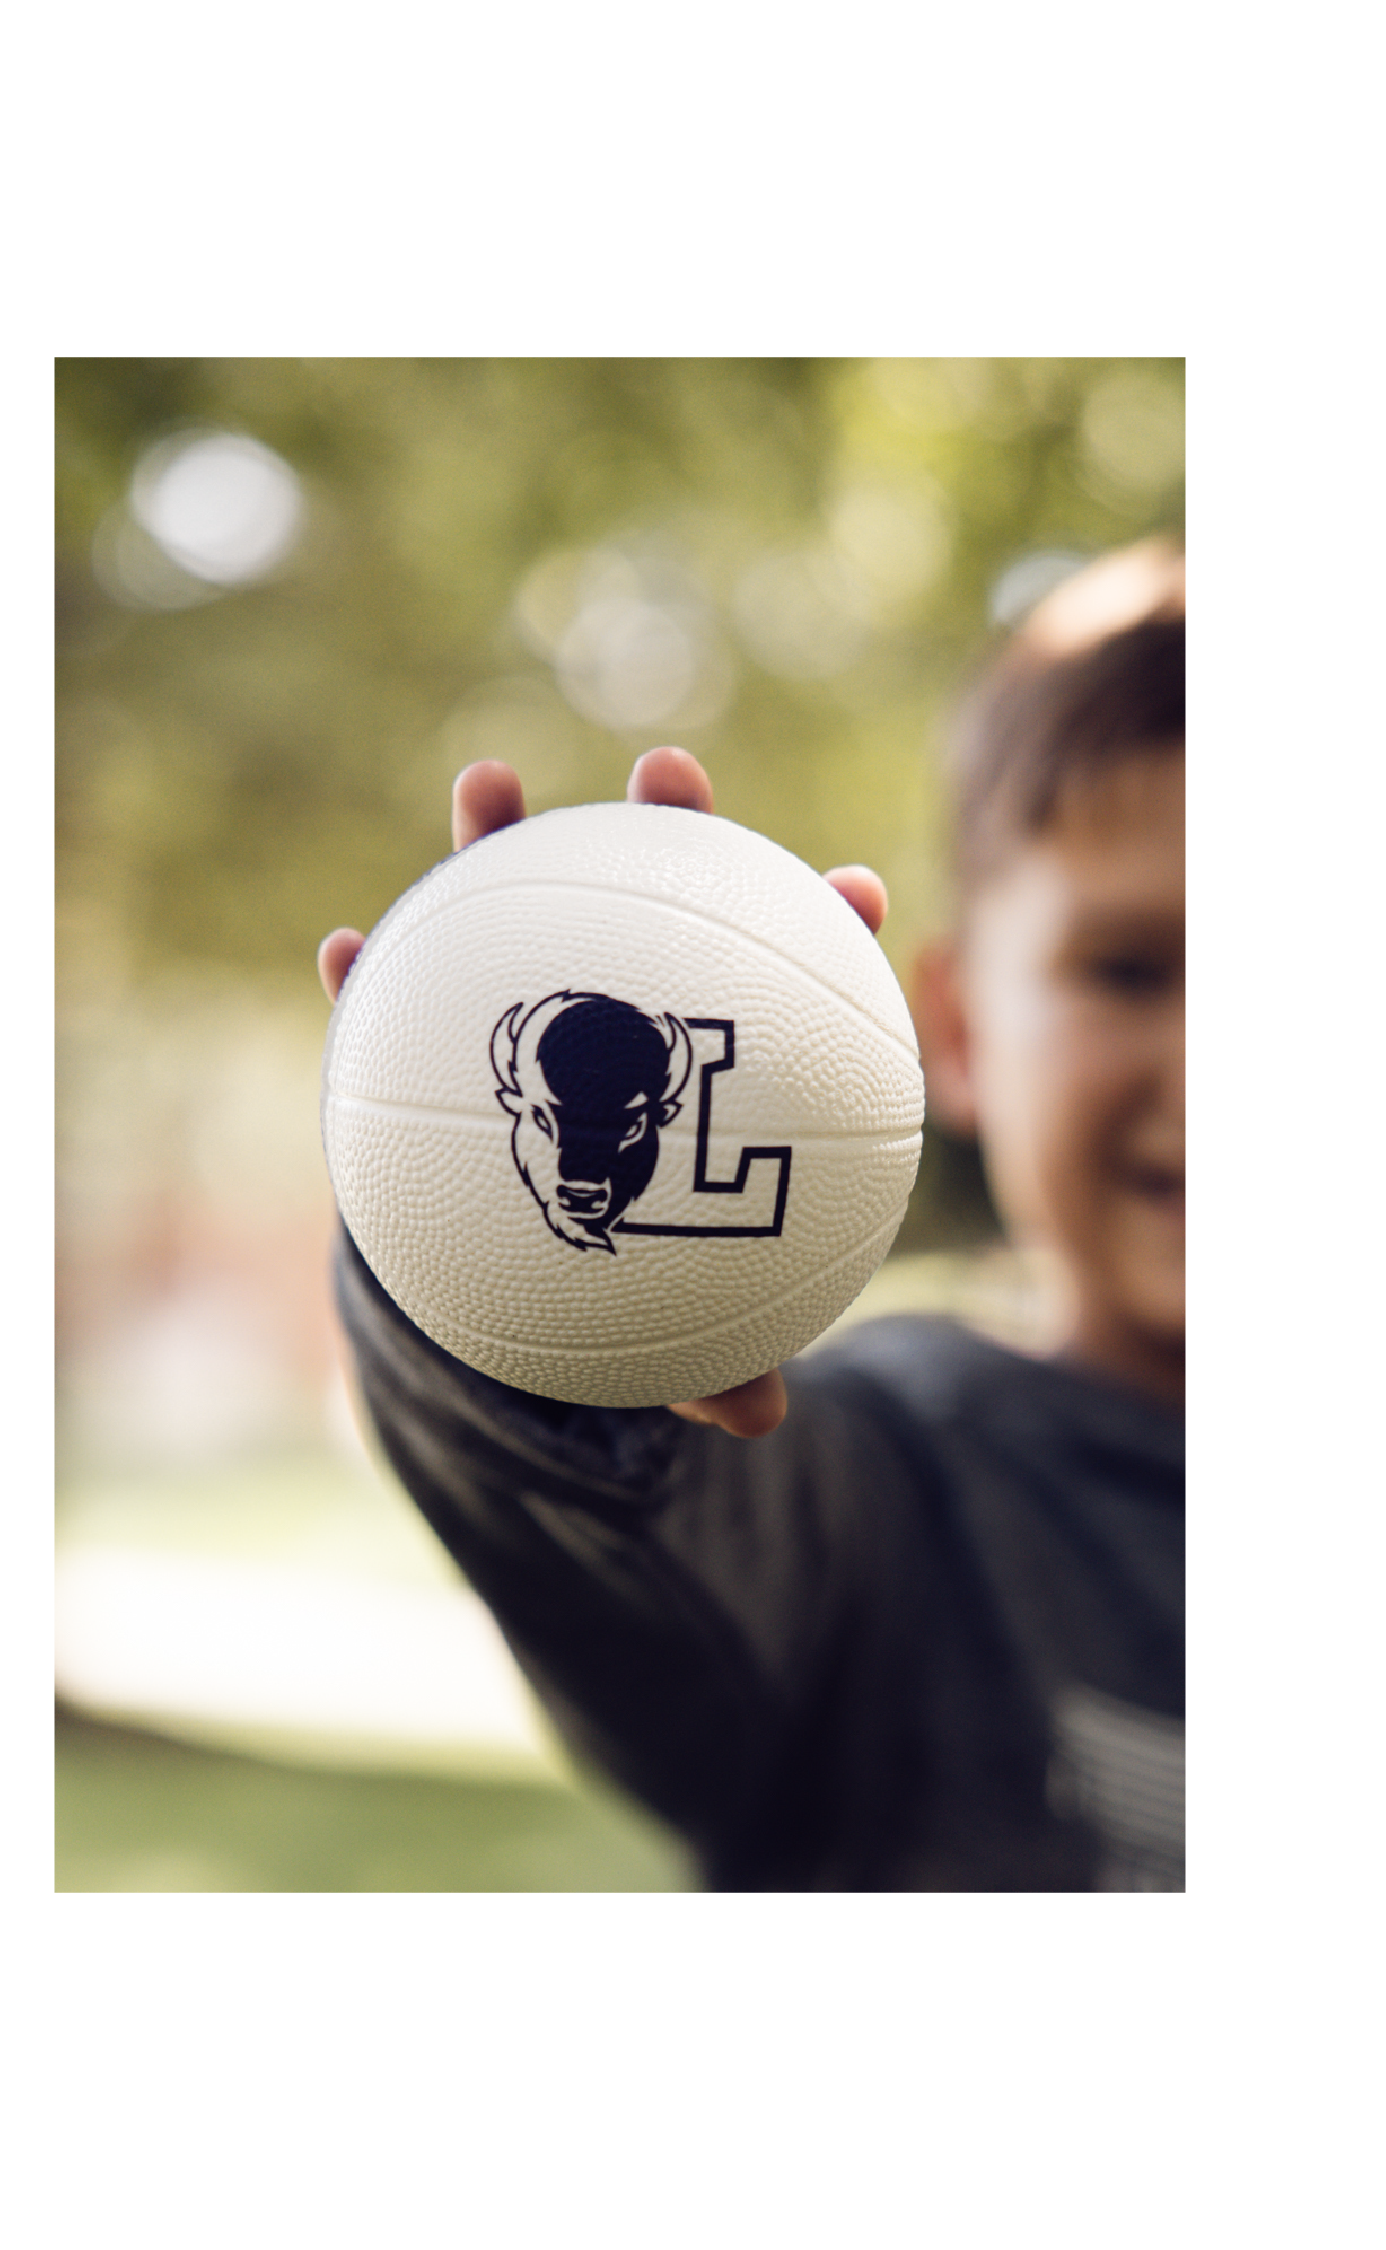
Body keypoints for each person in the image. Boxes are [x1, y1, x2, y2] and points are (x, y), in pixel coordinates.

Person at [314, 543, 1182, 1889]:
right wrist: (501, 1278)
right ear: (950, 1027)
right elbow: (631, 1538)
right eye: (1129, 968)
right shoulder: (895, 1489)